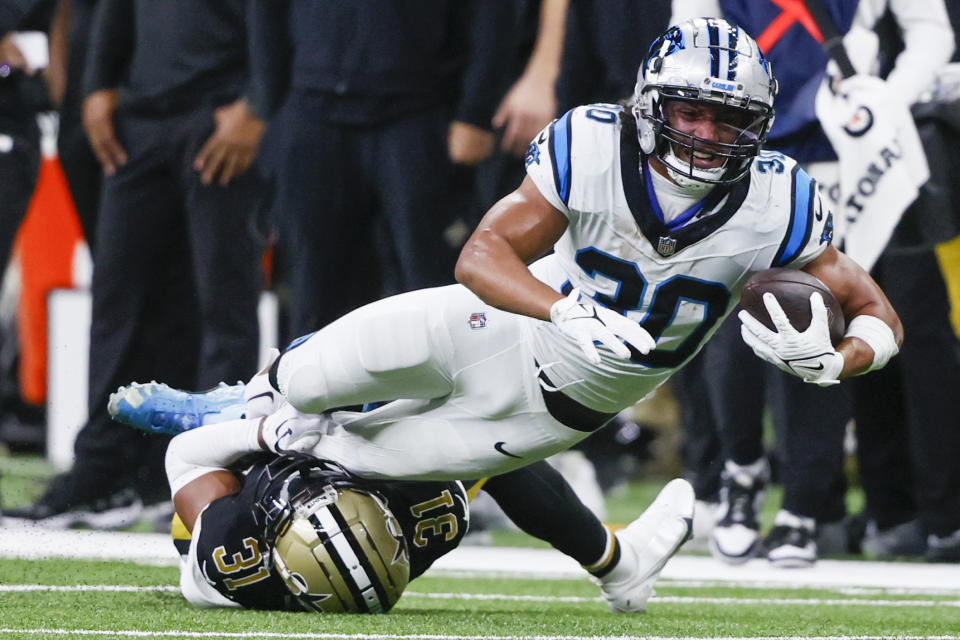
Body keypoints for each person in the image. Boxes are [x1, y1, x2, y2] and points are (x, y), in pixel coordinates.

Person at [109, 19, 902, 544]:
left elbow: (877, 313)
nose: (705, 135)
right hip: (515, 320)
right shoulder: (593, 142)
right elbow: (481, 257)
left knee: (343, 457)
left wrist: (841, 362)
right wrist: (567, 310)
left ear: (755, 129)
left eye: (727, 121)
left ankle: (230, 431)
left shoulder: (778, 196)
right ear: (651, 104)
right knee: (327, 364)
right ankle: (242, 400)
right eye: (690, 113)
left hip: (566, 400)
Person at [672, 0, 956, 566]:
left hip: (855, 154)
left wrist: (881, 106)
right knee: (728, 320)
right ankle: (743, 473)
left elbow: (930, 32)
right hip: (746, 144)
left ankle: (803, 506)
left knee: (829, 319)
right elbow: (690, 40)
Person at [6, 0, 268, 529]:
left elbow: (283, 16)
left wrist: (258, 104)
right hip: (141, 113)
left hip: (223, 113)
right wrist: (98, 84)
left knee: (220, 305)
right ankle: (105, 470)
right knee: (117, 299)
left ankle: (214, 472)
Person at [108, 393, 694, 613]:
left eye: (310, 494)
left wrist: (262, 437)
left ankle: (231, 404)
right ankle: (619, 565)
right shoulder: (425, 516)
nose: (311, 483)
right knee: (489, 448)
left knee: (282, 409)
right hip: (382, 492)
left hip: (237, 492)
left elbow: (185, 458)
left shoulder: (228, 556)